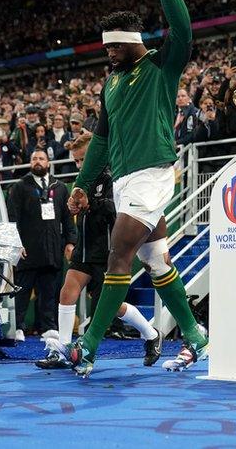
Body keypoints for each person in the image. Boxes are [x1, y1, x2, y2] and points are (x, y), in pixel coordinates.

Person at [65, 0, 208, 377]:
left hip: (153, 173)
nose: (108, 54)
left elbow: (183, 29)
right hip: (126, 180)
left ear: (132, 42)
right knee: (155, 260)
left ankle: (87, 346)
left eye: (114, 47)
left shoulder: (161, 66)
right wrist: (82, 185)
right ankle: (196, 335)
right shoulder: (110, 84)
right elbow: (102, 141)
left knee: (117, 255)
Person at [35, 133, 163, 370]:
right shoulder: (80, 184)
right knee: (67, 292)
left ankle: (151, 334)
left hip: (106, 252)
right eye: (76, 161)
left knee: (113, 307)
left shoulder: (115, 178)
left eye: (84, 159)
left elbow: (118, 212)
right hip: (84, 251)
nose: (80, 165)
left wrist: (92, 203)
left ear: (97, 155)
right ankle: (64, 350)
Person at [6, 149, 76, 342]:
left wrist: (70, 241)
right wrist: (16, 244)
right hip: (27, 249)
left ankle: (48, 327)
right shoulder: (19, 187)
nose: (38, 161)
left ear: (48, 162)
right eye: (34, 158)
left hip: (52, 248)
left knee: (49, 291)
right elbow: (12, 218)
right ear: (30, 163)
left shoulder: (60, 187)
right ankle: (18, 326)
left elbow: (68, 218)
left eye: (41, 158)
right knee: (22, 290)